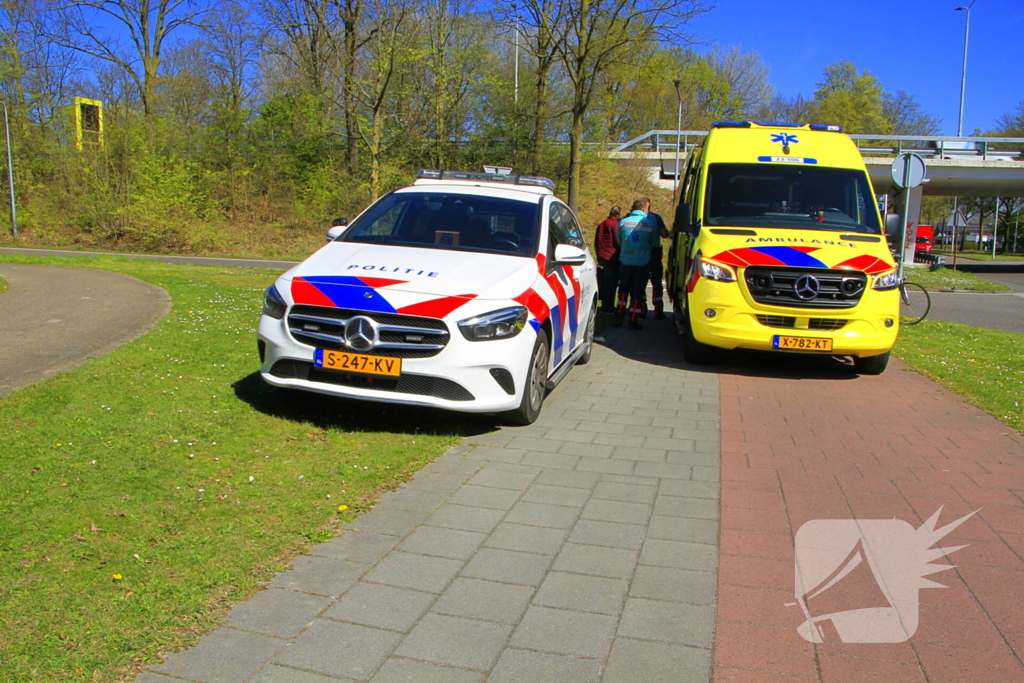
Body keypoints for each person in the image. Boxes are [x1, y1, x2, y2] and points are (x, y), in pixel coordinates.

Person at [614, 198, 659, 330]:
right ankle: (633, 318)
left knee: (623, 290)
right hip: (642, 262)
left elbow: (619, 241)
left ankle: (619, 315)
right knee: (638, 292)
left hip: (626, 261)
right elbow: (655, 243)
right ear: (645, 208)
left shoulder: (623, 222)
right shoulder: (650, 223)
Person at [644, 206, 671, 320]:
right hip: (654, 255)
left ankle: (640, 309)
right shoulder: (655, 217)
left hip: (637, 255)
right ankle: (658, 311)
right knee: (656, 284)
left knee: (639, 284)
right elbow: (664, 234)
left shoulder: (630, 218)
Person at [594, 206, 621, 312]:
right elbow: (617, 241)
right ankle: (609, 305)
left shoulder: (601, 224)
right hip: (613, 256)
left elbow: (597, 241)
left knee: (605, 282)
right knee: (612, 283)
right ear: (617, 215)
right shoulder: (614, 225)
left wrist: (598, 255)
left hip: (603, 256)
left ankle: (604, 304)